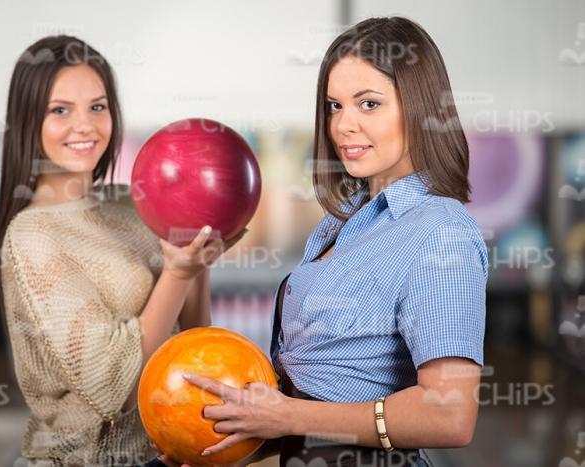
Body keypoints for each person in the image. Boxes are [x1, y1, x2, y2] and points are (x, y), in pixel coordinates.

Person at [171, 16, 488, 467]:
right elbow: (310, 406)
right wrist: (232, 434)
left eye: (369, 104)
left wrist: (286, 416)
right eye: (335, 106)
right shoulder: (340, 224)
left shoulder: (441, 229)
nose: (343, 126)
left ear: (420, 109)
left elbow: (450, 415)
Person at [0, 35, 243, 467]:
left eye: (97, 106)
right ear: (27, 119)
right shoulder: (32, 234)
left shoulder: (131, 202)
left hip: (161, 454)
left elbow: (190, 345)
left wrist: (197, 259)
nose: (85, 126)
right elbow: (116, 389)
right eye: (59, 110)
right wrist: (178, 273)